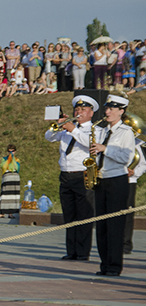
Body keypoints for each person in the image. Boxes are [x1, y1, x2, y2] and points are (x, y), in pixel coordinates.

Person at [45, 96, 98, 261]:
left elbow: (89, 143)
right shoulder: (68, 129)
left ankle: (82, 252)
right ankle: (71, 250)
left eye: (83, 110)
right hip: (66, 175)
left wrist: (73, 129)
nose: (79, 113)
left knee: (83, 214)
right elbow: (49, 136)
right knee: (69, 215)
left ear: (91, 113)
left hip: (82, 175)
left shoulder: (94, 129)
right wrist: (59, 125)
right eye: (77, 110)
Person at [89, 93, 136, 276]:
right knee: (101, 226)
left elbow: (126, 158)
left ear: (121, 111)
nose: (107, 112)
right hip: (101, 179)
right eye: (107, 108)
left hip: (117, 180)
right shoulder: (101, 130)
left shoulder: (126, 132)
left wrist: (105, 149)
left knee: (115, 225)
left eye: (111, 109)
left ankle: (114, 266)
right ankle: (104, 264)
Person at [0, 144, 20, 218]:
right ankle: (2, 212)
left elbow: (17, 168)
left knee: (13, 195)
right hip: (7, 176)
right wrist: (8, 160)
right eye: (9, 151)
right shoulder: (4, 159)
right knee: (4, 195)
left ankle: (11, 213)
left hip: (14, 177)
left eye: (12, 151)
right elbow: (3, 167)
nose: (11, 152)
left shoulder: (17, 160)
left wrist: (13, 159)